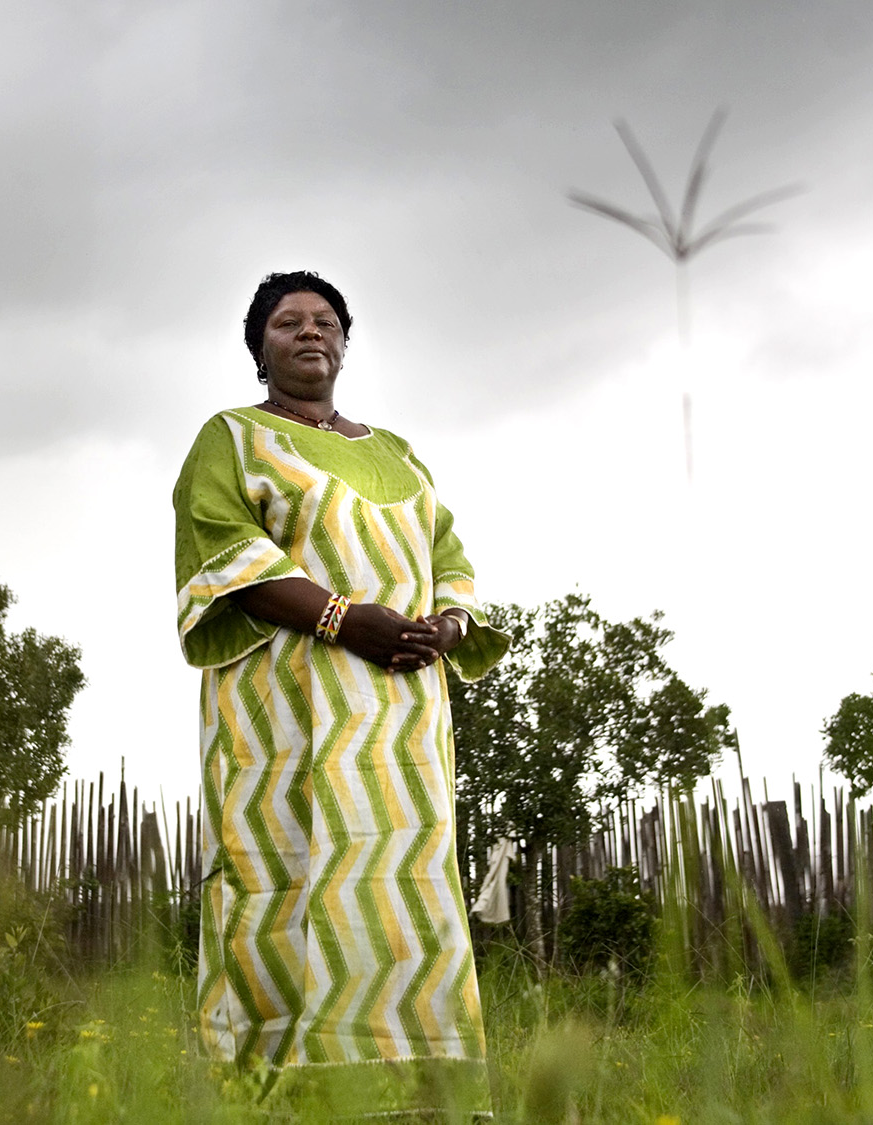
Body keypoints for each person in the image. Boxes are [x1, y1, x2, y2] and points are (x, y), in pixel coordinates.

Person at [172, 270, 510, 1114]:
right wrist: (338, 617)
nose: (309, 332)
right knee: (283, 878)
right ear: (260, 346)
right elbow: (226, 557)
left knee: (403, 883)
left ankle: (418, 1092)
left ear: (346, 342)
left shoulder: (396, 452)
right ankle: (272, 1092)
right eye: (288, 322)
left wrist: (450, 627)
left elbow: (452, 559)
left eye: (326, 321)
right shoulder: (234, 438)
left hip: (402, 721)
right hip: (283, 714)